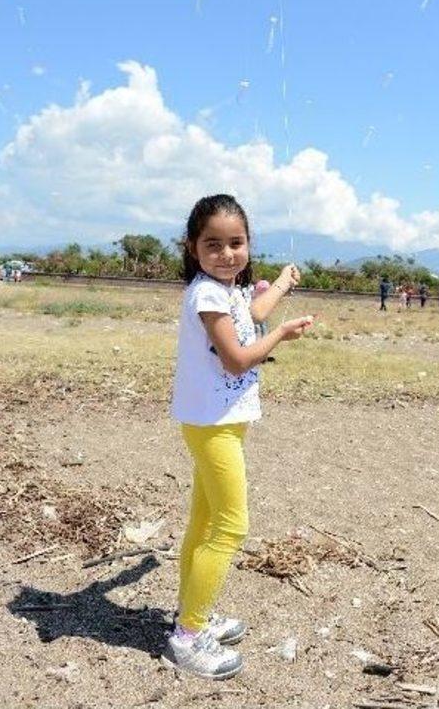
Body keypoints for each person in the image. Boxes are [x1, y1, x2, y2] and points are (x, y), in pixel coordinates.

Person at [163, 194, 313, 680]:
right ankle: (188, 634)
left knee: (203, 523)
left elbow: (254, 310)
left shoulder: (226, 289)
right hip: (213, 426)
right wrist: (281, 336)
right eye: (213, 244)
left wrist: (285, 284)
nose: (227, 253)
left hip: (218, 420)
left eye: (237, 242)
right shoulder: (208, 294)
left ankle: (193, 613)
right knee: (230, 527)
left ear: (248, 244)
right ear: (192, 247)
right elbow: (238, 358)